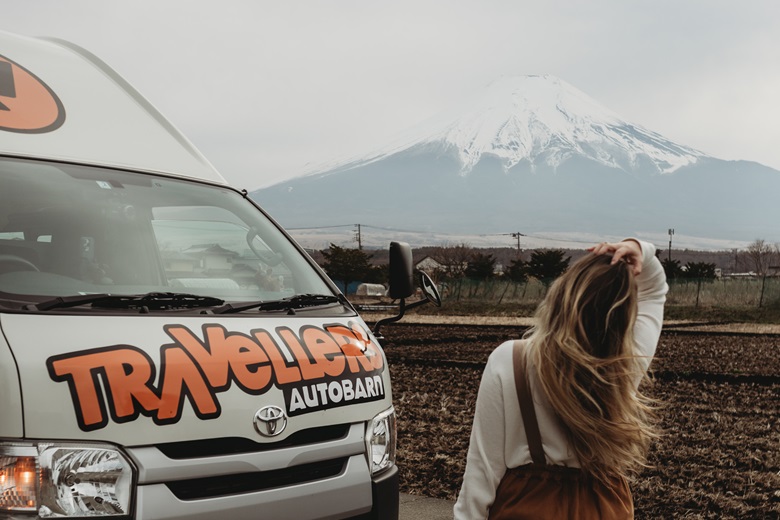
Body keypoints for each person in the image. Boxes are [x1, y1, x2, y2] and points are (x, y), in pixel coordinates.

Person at [453, 239, 668, 519]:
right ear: (625, 317)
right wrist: (639, 249)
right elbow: (655, 291)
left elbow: (481, 473)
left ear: (562, 296)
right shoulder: (624, 367)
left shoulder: (511, 360)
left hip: (527, 505)